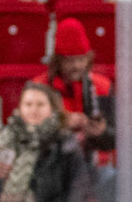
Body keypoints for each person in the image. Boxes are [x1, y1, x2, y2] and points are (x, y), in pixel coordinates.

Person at [35, 18, 114, 154]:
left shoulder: (102, 86)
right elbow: (28, 136)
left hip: (93, 163)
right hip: (53, 164)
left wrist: (102, 132)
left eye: (81, 59)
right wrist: (60, 125)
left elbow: (116, 139)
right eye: (70, 60)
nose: (77, 66)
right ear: (58, 61)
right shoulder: (39, 88)